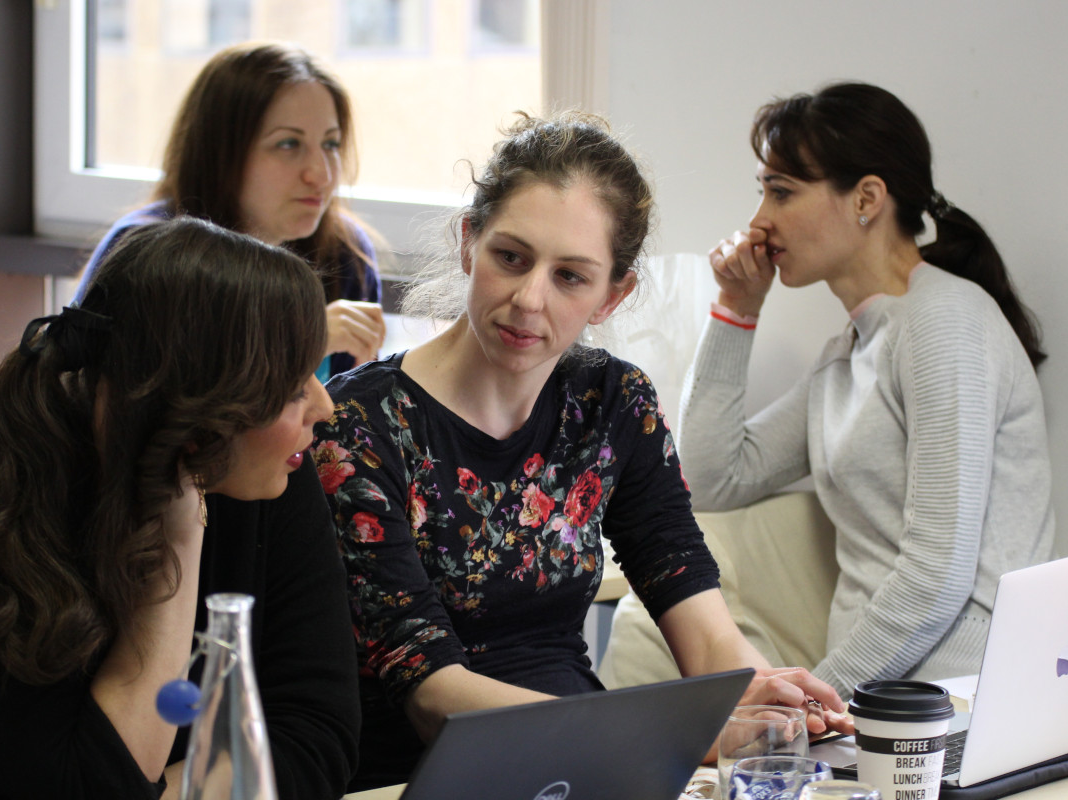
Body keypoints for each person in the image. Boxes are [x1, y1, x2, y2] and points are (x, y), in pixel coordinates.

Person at [310, 111, 851, 790]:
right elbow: (433, 696)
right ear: (467, 243)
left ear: (612, 294)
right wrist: (652, 739)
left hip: (590, 766)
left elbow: (698, 614)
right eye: (511, 257)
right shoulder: (358, 425)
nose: (529, 299)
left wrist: (763, 699)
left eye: (570, 276)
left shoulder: (613, 401)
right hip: (411, 779)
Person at [0, 218, 360, 800]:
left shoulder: (272, 471)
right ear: (202, 413)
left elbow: (320, 738)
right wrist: (181, 537)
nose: (326, 407)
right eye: (294, 388)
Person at [678, 82, 1055, 699]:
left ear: (867, 199)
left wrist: (815, 701)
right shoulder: (849, 353)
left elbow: (937, 574)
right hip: (879, 698)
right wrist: (735, 309)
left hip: (959, 698)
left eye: (781, 192)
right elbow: (712, 478)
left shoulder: (944, 322)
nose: (758, 221)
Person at [73, 41, 386, 381]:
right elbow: (141, 417)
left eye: (331, 144)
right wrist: (303, 342)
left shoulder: (344, 256)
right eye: (288, 144)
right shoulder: (146, 252)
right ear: (220, 153)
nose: (321, 174)